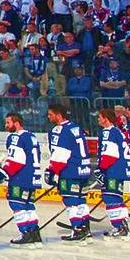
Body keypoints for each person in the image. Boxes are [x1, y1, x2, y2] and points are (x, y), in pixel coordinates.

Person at [45, 102, 93, 242]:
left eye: (51, 115)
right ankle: (85, 229)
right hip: (83, 170)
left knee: (71, 201)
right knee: (80, 201)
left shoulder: (61, 130)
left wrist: (51, 171)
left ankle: (78, 230)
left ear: (59, 115)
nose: (49, 117)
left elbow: (61, 154)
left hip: (70, 170)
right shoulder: (76, 127)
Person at [0, 112, 42, 245]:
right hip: (33, 178)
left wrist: (2, 173)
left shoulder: (15, 137)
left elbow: (17, 161)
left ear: (16, 123)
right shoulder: (31, 136)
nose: (6, 125)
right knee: (28, 206)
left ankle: (25, 234)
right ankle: (34, 233)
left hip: (20, 178)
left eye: (8, 122)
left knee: (17, 204)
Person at [95, 105, 130, 238]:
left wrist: (101, 169)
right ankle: (122, 224)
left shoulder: (108, 132)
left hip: (112, 170)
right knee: (116, 197)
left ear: (105, 119)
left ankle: (119, 226)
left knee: (110, 197)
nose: (98, 120)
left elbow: (110, 154)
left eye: (100, 117)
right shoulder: (117, 132)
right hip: (119, 170)